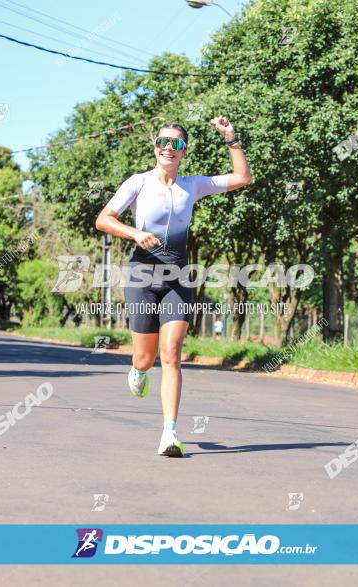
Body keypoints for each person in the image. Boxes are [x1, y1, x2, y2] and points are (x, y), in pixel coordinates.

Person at [95, 117, 252, 457]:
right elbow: (103, 219)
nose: (168, 147)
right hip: (142, 276)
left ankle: (170, 433)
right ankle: (137, 369)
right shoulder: (137, 183)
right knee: (145, 357)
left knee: (172, 355)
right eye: (163, 142)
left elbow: (242, 178)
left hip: (179, 278)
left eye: (176, 144)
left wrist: (231, 139)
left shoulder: (193, 185)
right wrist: (135, 233)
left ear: (184, 151)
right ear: (155, 147)